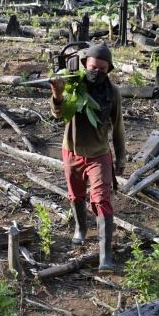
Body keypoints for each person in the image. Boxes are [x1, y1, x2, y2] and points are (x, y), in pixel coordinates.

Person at [49, 43, 126, 272]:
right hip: (71, 150)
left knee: (102, 200)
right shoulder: (73, 85)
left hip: (99, 154)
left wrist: (121, 158)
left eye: (102, 70)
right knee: (76, 195)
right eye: (93, 67)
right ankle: (81, 229)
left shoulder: (112, 93)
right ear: (85, 64)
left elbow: (119, 127)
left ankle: (106, 256)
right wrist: (57, 93)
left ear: (108, 70)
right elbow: (58, 114)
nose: (97, 73)